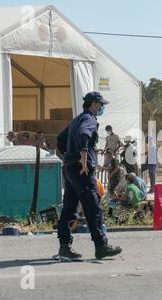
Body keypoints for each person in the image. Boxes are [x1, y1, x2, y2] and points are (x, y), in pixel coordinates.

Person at [56, 91, 121, 261]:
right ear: (93, 104)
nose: (102, 107)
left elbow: (60, 139)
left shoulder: (77, 119)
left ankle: (64, 246)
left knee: (69, 208)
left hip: (70, 169)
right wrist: (83, 157)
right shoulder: (89, 119)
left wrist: (68, 157)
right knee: (93, 207)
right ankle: (101, 246)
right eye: (101, 104)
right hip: (82, 170)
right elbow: (84, 134)